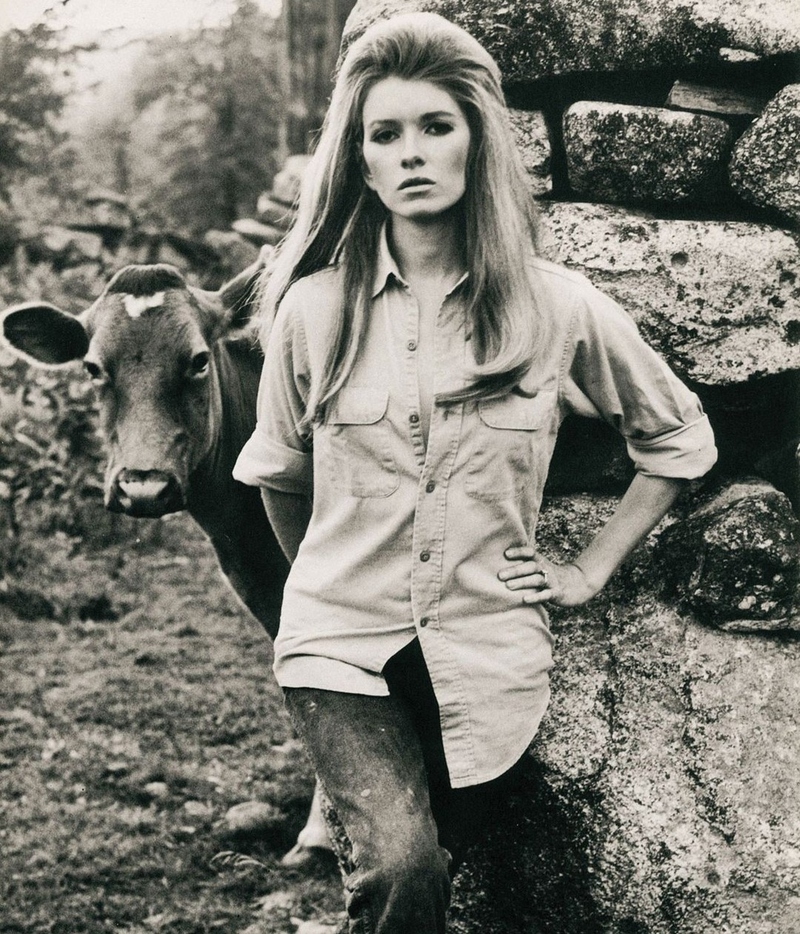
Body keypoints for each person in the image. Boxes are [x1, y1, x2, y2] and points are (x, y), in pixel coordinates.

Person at [233, 11, 717, 933]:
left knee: (422, 883)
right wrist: (324, 588)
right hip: (342, 652)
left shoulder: (556, 305)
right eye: (386, 134)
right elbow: (279, 476)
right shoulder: (311, 311)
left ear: (475, 143)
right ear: (361, 162)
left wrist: (588, 569)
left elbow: (679, 442)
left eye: (435, 127)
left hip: (487, 657)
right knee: (407, 869)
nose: (411, 152)